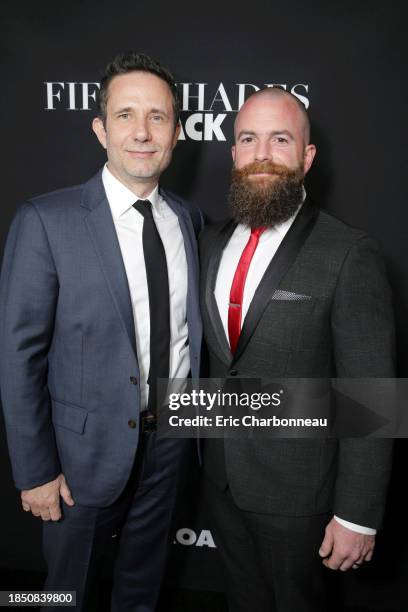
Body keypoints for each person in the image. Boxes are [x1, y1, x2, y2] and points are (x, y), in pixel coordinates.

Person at [0, 51, 202, 611]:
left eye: (158, 117)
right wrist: (36, 470)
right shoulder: (46, 220)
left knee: (143, 589)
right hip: (80, 456)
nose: (142, 132)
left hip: (170, 447)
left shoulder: (186, 219)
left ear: (178, 131)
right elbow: (20, 358)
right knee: (67, 595)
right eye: (125, 115)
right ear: (100, 128)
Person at [199, 88, 395, 611]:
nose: (262, 153)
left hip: (301, 494)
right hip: (219, 481)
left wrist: (357, 515)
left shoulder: (349, 252)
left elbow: (371, 395)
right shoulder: (209, 241)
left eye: (280, 139)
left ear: (306, 158)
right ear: (235, 152)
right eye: (249, 139)